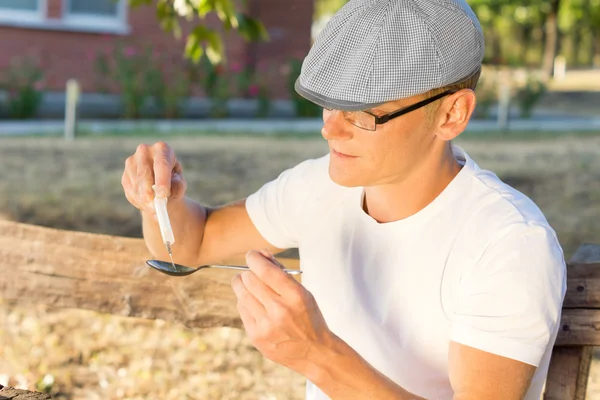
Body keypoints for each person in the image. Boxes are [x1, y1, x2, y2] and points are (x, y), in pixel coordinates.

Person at [121, 0, 566, 398]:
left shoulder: (508, 243)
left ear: (452, 114)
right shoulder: (320, 188)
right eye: (330, 103)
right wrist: (161, 201)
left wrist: (318, 356)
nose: (329, 129)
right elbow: (188, 245)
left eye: (363, 113)